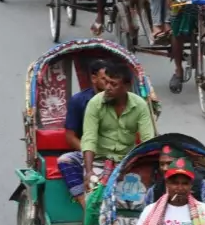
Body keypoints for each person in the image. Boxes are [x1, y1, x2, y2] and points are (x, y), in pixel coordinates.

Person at [57, 61, 156, 208]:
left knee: (139, 203)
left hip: (126, 160)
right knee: (94, 203)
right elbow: (89, 138)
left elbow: (148, 140)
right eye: (107, 82)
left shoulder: (140, 105)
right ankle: (85, 206)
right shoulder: (95, 103)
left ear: (126, 87)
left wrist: (146, 168)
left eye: (113, 84)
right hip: (99, 159)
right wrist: (89, 171)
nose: (107, 87)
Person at [63, 60, 109, 150]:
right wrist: (89, 152)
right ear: (94, 79)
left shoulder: (117, 99)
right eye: (104, 79)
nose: (108, 84)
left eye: (110, 79)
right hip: (86, 149)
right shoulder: (78, 101)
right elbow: (70, 137)